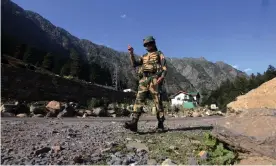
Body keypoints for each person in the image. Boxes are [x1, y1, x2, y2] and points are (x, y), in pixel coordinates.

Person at [125, 36, 168, 132]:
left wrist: (162, 77)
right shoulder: (143, 56)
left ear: (153, 43)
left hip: (154, 79)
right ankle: (134, 123)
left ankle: (160, 124)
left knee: (157, 101)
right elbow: (134, 64)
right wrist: (131, 53)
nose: (148, 46)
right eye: (146, 45)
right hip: (143, 80)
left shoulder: (159, 54)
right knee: (138, 100)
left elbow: (164, 66)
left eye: (149, 44)